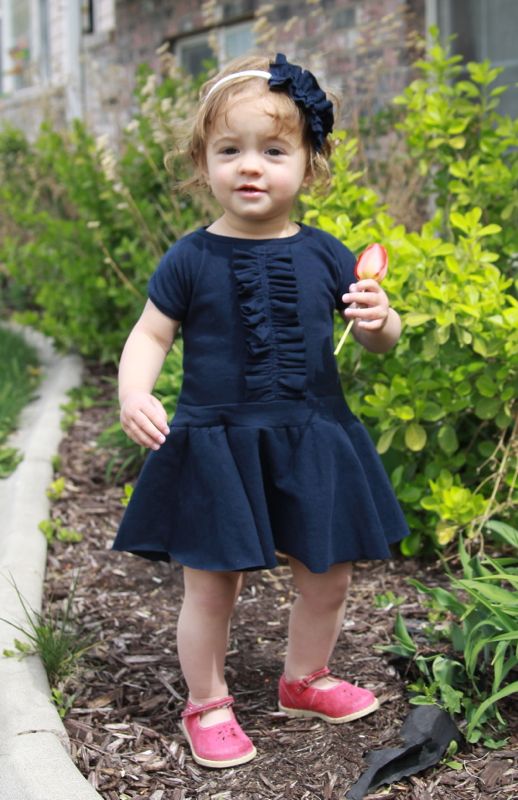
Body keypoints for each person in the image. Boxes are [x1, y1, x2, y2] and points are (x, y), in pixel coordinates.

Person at [112, 53, 409, 770]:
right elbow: (151, 333)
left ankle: (303, 678)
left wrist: (378, 317)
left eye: (273, 150)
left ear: (309, 165)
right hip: (219, 440)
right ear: (202, 163)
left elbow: (382, 343)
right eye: (230, 150)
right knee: (213, 581)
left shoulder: (328, 255)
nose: (251, 166)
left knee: (328, 573)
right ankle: (207, 699)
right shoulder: (190, 258)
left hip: (313, 435)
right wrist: (134, 391)